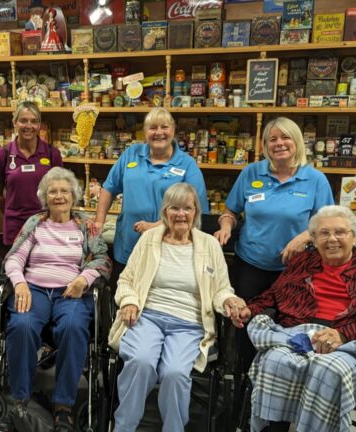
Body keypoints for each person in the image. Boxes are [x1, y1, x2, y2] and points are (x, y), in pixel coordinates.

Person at [235, 205, 356, 432]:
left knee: (328, 369)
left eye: (340, 232)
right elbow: (274, 295)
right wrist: (252, 309)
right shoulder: (303, 263)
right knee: (273, 360)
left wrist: (344, 334)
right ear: (314, 239)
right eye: (324, 233)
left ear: (354, 236)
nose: (332, 239)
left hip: (348, 338)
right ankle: (272, 427)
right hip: (298, 333)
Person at [108, 183, 246, 432]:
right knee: (140, 362)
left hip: (189, 323)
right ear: (165, 212)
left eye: (187, 208)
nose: (181, 214)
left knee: (175, 373)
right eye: (174, 208)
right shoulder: (149, 239)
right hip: (147, 317)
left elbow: (221, 289)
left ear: (196, 212)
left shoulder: (209, 245)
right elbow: (126, 279)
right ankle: (123, 427)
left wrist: (229, 301)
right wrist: (129, 301)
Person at [213, 116, 333, 370]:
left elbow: (328, 223)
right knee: (245, 324)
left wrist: (305, 237)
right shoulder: (251, 173)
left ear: (296, 141)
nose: (279, 143)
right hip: (250, 266)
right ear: (265, 145)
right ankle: (244, 376)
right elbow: (230, 211)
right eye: (272, 139)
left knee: (287, 329)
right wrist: (225, 226)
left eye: (285, 137)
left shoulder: (315, 179)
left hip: (294, 271)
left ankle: (279, 377)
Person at [3, 167, 110, 431]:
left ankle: (63, 404)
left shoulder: (86, 225)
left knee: (73, 328)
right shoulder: (35, 223)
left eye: (64, 191)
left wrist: (83, 279)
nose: (59, 196)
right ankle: (19, 399)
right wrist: (19, 283)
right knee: (22, 326)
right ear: (44, 197)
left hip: (71, 290)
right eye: (53, 191)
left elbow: (101, 260)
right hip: (33, 288)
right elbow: (14, 257)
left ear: (74, 196)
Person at [94, 107, 208, 290]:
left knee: (154, 298)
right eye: (153, 127)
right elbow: (109, 188)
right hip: (128, 244)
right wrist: (99, 221)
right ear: (145, 132)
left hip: (167, 248)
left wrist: (158, 227)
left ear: (173, 130)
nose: (159, 132)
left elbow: (196, 211)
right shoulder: (131, 154)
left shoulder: (187, 165)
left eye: (164, 127)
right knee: (123, 294)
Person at [0, 101, 63, 247]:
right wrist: (12, 213)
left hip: (45, 225)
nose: (29, 126)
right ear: (15, 123)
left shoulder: (52, 154)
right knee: (15, 261)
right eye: (23, 121)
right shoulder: (2, 155)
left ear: (39, 125)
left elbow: (61, 190)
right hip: (15, 227)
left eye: (34, 121)